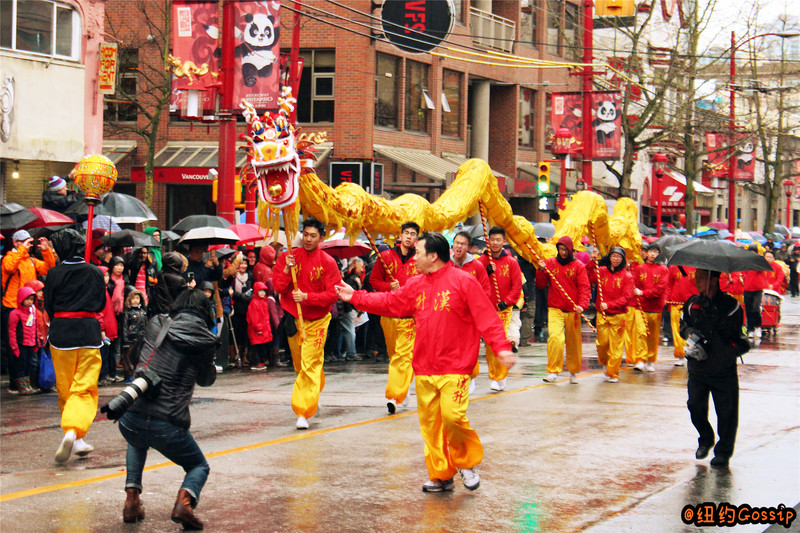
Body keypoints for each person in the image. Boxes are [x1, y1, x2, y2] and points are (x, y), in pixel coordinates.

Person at [336, 231, 515, 492]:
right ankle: (442, 475)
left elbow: (487, 318)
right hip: (424, 368)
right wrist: (356, 297)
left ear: (433, 256)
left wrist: (501, 348)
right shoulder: (416, 284)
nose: (414, 256)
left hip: (455, 368)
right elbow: (390, 302)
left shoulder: (464, 282)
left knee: (453, 418)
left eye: (418, 252)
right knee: (431, 427)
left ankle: (465, 462)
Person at [117, 289, 218, 528]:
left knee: (137, 440)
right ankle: (184, 502)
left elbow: (137, 353)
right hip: (169, 423)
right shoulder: (205, 339)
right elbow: (206, 380)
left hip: (131, 415)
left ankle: (132, 500)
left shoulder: (156, 323)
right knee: (198, 466)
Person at [273, 218, 342, 430]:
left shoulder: (328, 262)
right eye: (306, 234)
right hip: (294, 318)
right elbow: (278, 286)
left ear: (321, 238)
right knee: (300, 365)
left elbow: (333, 294)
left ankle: (303, 411)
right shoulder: (288, 257)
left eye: (313, 236)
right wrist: (286, 269)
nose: (308, 239)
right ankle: (313, 390)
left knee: (309, 363)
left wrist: (307, 297)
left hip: (318, 320)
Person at [44, 229, 106, 463]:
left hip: (61, 332)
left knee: (65, 387)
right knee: (85, 386)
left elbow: (49, 304)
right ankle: (74, 430)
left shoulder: (54, 273)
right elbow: (100, 303)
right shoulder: (95, 271)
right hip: (88, 332)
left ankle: (75, 437)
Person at [680, 268, 749, 467]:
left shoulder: (731, 306)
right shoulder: (693, 303)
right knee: (695, 406)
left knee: (727, 412)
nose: (697, 282)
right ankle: (706, 438)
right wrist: (692, 335)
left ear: (714, 279)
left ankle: (723, 452)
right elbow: (683, 325)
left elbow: (739, 337)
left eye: (701, 278)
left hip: (723, 368)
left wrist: (715, 314)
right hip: (698, 367)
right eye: (696, 277)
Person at [370, 221, 420, 414]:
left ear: (416, 238)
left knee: (403, 357)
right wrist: (387, 287)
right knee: (395, 356)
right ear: (399, 236)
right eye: (406, 233)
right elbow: (373, 280)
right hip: (389, 314)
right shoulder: (385, 257)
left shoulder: (420, 260)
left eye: (413, 234)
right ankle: (403, 388)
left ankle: (394, 395)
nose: (409, 236)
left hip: (411, 317)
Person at [2, 230, 55, 387]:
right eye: (23, 241)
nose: (27, 245)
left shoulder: (31, 260)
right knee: (15, 346)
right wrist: (21, 250)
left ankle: (27, 380)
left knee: (29, 345)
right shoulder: (9, 258)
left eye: (29, 242)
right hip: (12, 307)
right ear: (15, 242)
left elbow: (48, 268)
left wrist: (45, 250)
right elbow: (10, 268)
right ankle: (14, 382)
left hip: (29, 309)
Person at [536, 236, 590, 384]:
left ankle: (573, 370)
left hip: (573, 310)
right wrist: (540, 270)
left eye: (566, 249)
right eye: (561, 249)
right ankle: (553, 370)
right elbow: (541, 284)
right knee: (555, 339)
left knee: (573, 342)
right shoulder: (550, 263)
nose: (563, 252)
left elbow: (584, 287)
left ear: (571, 249)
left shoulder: (578, 266)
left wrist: (582, 305)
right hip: (555, 308)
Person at [477, 227, 522, 392]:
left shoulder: (512, 262)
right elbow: (473, 281)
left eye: (498, 240)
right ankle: (496, 374)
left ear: (504, 242)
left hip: (503, 309)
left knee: (500, 341)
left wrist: (508, 301)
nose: (495, 243)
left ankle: (500, 377)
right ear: (487, 240)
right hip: (486, 309)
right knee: (489, 344)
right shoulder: (481, 261)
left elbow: (517, 286)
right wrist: (485, 272)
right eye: (492, 239)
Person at [591, 247, 634, 383]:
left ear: (623, 259)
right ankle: (604, 362)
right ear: (609, 257)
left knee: (616, 345)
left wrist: (610, 305)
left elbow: (626, 298)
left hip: (619, 315)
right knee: (602, 343)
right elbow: (588, 276)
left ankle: (613, 372)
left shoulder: (627, 276)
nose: (615, 259)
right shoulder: (601, 271)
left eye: (619, 257)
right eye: (613, 256)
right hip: (602, 314)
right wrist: (593, 260)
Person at [632, 243, 669, 372]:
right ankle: (640, 359)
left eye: (655, 251)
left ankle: (650, 360)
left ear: (659, 254)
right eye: (650, 251)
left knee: (653, 335)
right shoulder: (639, 268)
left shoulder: (663, 270)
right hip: (640, 306)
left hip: (655, 307)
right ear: (646, 253)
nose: (653, 254)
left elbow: (660, 289)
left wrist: (643, 293)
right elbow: (634, 284)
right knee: (640, 333)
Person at [8, 286, 41, 395]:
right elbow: (12, 331)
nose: (29, 302)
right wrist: (14, 347)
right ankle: (22, 386)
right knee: (21, 365)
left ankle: (27, 385)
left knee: (28, 365)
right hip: (21, 344)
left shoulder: (32, 313)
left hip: (30, 343)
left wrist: (36, 342)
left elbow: (35, 328)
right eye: (27, 299)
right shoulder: (15, 313)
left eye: (31, 299)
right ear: (21, 299)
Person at [666, 265, 698, 366]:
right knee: (677, 330)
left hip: (693, 304)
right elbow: (669, 284)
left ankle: (692, 351)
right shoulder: (673, 267)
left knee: (693, 330)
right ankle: (680, 355)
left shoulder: (698, 267)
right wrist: (667, 297)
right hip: (676, 303)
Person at [339, 258, 366, 362]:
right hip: (347, 308)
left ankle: (345, 352)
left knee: (347, 330)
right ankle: (351, 353)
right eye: (361, 266)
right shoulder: (350, 279)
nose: (362, 269)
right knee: (350, 330)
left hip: (350, 308)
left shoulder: (354, 277)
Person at [121, 289, 148, 381]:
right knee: (128, 357)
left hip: (141, 337)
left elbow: (146, 324)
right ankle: (129, 375)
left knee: (138, 356)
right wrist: (125, 339)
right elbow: (125, 326)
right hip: (131, 337)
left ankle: (137, 373)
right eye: (133, 298)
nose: (136, 300)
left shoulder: (143, 312)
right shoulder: (128, 313)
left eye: (137, 298)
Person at [742, 246, 768, 342]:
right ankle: (750, 329)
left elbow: (761, 270)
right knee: (748, 309)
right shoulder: (745, 261)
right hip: (747, 288)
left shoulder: (760, 261)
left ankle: (757, 326)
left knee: (756, 308)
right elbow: (743, 272)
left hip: (758, 289)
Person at [247, 281, 274, 370]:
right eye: (260, 291)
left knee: (261, 345)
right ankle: (256, 362)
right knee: (256, 346)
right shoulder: (254, 303)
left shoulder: (263, 302)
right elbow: (254, 317)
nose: (262, 293)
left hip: (263, 328)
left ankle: (261, 360)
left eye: (264, 291)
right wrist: (258, 327)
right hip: (257, 329)